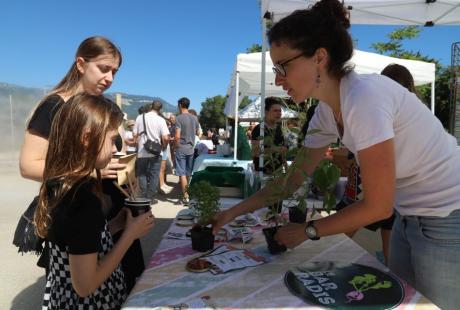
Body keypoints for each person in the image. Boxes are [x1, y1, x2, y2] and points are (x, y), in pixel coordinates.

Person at [212, 1, 460, 309]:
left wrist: (307, 231)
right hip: (410, 217)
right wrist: (231, 213)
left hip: (450, 215)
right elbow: (291, 181)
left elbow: (378, 206)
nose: (277, 79)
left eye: (282, 67)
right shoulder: (327, 112)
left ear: (319, 57)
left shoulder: (365, 97)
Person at [19, 36, 144, 292]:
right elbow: (29, 165)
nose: (110, 78)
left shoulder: (100, 108)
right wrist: (91, 171)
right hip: (83, 218)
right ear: (80, 64)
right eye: (104, 68)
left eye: (115, 72)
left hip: (111, 217)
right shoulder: (55, 106)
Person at [34, 94, 154, 309]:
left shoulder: (63, 182)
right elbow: (85, 285)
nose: (116, 149)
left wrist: (115, 225)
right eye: (111, 140)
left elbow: (77, 239)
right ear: (87, 138)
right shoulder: (84, 199)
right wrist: (129, 235)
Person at [133, 100, 170, 200]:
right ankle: (151, 196)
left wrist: (138, 142)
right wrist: (164, 146)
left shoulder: (140, 117)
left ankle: (143, 195)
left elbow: (134, 134)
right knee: (154, 174)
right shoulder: (161, 120)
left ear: (151, 106)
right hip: (156, 152)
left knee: (142, 173)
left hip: (142, 151)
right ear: (160, 109)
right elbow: (166, 138)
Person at [251, 97, 287, 174]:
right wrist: (276, 149)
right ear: (266, 112)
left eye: (280, 111)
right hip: (263, 172)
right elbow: (255, 151)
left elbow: (282, 151)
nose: (279, 113)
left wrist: (286, 167)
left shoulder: (278, 128)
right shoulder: (259, 129)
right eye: (275, 111)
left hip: (278, 171)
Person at [174, 97, 200, 203]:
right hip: (191, 148)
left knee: (182, 173)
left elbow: (177, 136)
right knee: (188, 172)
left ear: (180, 105)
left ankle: (185, 196)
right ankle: (187, 193)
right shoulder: (194, 118)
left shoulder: (179, 118)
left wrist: (175, 146)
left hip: (181, 147)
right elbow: (198, 133)